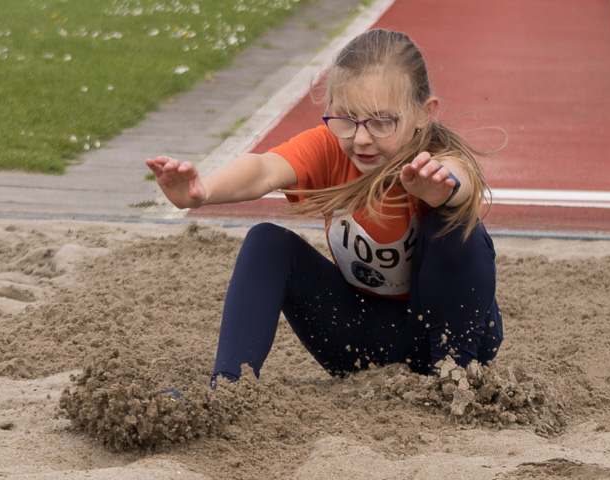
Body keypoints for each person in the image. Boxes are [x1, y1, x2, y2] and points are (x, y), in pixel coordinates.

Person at [146, 29, 503, 385]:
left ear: (424, 113)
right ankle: (228, 386)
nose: (361, 138)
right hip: (358, 343)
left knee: (457, 223)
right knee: (267, 241)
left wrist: (443, 189)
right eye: (347, 119)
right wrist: (202, 191)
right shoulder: (332, 148)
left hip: (442, 339)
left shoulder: (438, 158)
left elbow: (462, 181)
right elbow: (264, 169)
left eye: (382, 122)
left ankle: (454, 382)